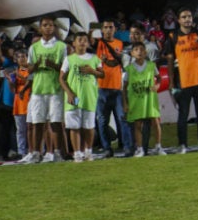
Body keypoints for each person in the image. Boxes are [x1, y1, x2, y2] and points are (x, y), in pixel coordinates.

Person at [163, 7, 198, 153]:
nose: (187, 19)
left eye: (189, 16)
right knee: (183, 115)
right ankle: (183, 145)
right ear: (178, 20)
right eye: (184, 17)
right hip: (183, 82)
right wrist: (172, 82)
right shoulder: (173, 37)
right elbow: (170, 61)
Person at [24, 16, 67, 163]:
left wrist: (52, 64)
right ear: (40, 28)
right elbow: (28, 69)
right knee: (37, 123)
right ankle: (36, 153)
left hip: (55, 89)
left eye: (50, 25)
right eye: (45, 25)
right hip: (38, 89)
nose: (48, 27)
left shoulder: (61, 46)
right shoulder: (34, 48)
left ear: (54, 27)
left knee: (56, 122)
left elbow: (65, 68)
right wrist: (36, 65)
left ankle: (57, 153)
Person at [60, 32, 104, 162]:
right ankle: (77, 153)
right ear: (74, 43)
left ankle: (88, 152)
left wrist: (92, 71)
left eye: (85, 40)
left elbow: (102, 75)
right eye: (79, 39)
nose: (83, 42)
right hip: (74, 98)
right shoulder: (69, 59)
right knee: (74, 127)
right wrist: (69, 93)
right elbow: (61, 78)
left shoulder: (95, 58)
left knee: (89, 126)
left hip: (89, 97)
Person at [93, 20, 133, 157]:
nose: (108, 30)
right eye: (105, 27)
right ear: (102, 30)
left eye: (111, 27)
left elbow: (120, 62)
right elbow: (88, 39)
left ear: (115, 29)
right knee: (103, 121)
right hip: (101, 88)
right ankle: (107, 148)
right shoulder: (97, 44)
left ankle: (127, 146)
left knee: (122, 119)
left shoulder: (120, 44)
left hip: (117, 88)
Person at [123, 43, 165, 157]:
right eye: (136, 49)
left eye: (141, 49)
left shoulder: (151, 65)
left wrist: (157, 86)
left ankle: (158, 146)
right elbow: (124, 87)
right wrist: (125, 103)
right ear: (132, 53)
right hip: (136, 101)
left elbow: (159, 78)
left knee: (156, 122)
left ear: (145, 52)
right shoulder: (130, 69)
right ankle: (140, 149)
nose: (139, 51)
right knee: (137, 125)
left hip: (150, 99)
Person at [7, 48, 32, 160]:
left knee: (32, 129)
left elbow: (31, 81)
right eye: (19, 57)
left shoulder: (31, 70)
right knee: (20, 130)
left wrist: (19, 75)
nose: (22, 59)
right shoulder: (14, 72)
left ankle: (35, 150)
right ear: (16, 59)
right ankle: (22, 152)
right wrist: (10, 81)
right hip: (19, 104)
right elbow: (13, 90)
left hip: (31, 102)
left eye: (24, 56)